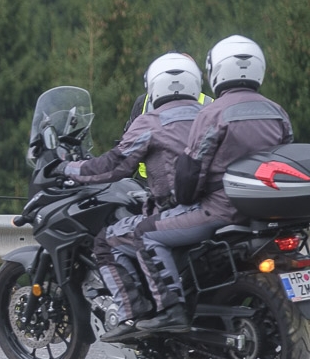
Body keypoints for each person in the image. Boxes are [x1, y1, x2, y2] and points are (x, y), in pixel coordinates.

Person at [132, 35, 293, 333]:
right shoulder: (277, 111)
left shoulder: (212, 113)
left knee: (146, 234)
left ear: (216, 71)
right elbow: (285, 158)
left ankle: (171, 312)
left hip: (221, 212)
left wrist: (185, 199)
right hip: (269, 214)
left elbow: (191, 170)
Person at [57, 53, 207, 342]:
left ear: (154, 86)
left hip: (176, 210)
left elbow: (113, 166)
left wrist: (68, 168)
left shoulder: (150, 120)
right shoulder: (210, 114)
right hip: (214, 206)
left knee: (107, 241)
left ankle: (135, 315)